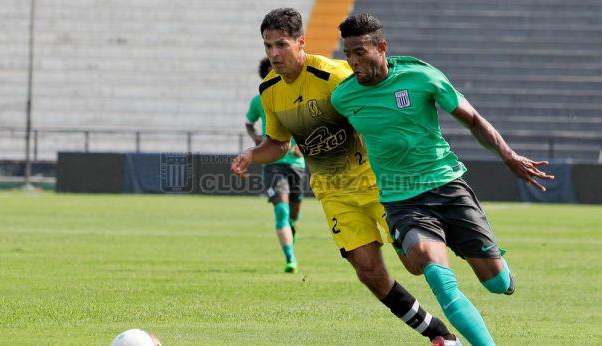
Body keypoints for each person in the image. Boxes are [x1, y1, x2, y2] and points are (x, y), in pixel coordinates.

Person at [231, 8, 460, 345]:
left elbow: (378, 106)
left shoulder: (334, 75)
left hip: (376, 182)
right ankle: (438, 334)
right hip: (332, 193)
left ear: (301, 42)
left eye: (281, 44)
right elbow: (279, 144)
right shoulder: (269, 91)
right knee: (368, 270)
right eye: (268, 46)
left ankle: (463, 245)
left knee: (415, 261)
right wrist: (252, 155)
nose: (275, 54)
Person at [331, 14, 555, 346]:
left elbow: (473, 119)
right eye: (348, 54)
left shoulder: (421, 76)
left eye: (360, 52)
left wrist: (508, 155)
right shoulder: (344, 97)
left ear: (381, 47)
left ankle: (501, 273)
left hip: (447, 187)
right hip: (402, 201)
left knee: (494, 282)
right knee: (434, 271)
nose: (353, 62)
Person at [245, 57, 306, 273]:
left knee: (294, 211)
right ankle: (290, 258)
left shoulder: (297, 94)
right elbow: (249, 122)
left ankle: (290, 228)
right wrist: (257, 140)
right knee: (281, 210)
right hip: (272, 162)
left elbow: (307, 123)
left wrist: (303, 145)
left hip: (297, 164)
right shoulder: (259, 100)